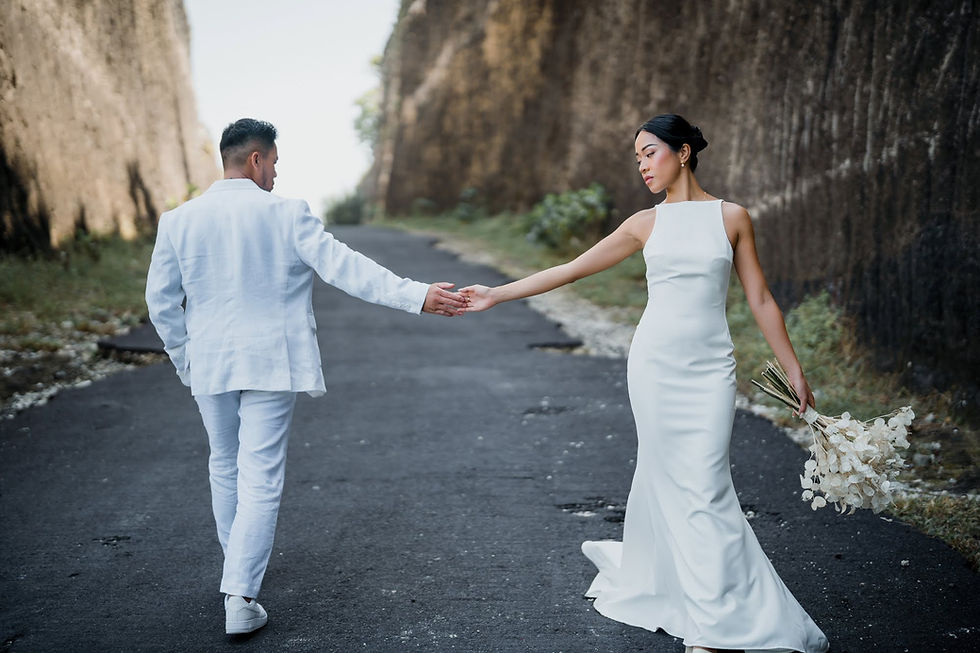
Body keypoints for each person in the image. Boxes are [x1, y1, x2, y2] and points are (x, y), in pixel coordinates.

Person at [460, 114, 830, 653]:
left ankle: (708, 605)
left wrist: (794, 368)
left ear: (682, 152)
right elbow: (571, 269)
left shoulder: (732, 217)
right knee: (669, 478)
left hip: (711, 369)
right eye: (636, 157)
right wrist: (497, 293)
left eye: (649, 152)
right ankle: (707, 622)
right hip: (654, 365)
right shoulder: (643, 224)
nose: (642, 165)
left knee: (705, 483)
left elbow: (760, 299)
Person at [145, 118, 467, 635]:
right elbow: (345, 267)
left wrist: (186, 359)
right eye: (273, 162)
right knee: (260, 476)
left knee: (225, 465)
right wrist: (417, 295)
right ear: (255, 159)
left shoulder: (178, 220)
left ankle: (237, 580)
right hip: (272, 361)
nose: (275, 173)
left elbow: (160, 303)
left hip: (209, 364)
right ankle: (241, 596)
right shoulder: (286, 214)